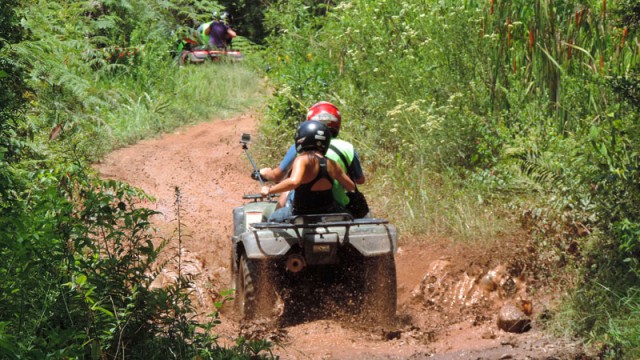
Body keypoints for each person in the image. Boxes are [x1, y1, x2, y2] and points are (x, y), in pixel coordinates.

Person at [259, 101, 365, 211]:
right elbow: (358, 182)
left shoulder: (299, 153)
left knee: (284, 195)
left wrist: (268, 183)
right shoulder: (345, 150)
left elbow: (283, 178)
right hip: (334, 206)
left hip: (303, 207)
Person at [261, 121, 355, 222]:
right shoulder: (332, 164)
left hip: (301, 213)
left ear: (302, 140)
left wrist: (270, 190)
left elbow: (293, 182)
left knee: (272, 218)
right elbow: (351, 187)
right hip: (329, 211)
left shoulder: (302, 159)